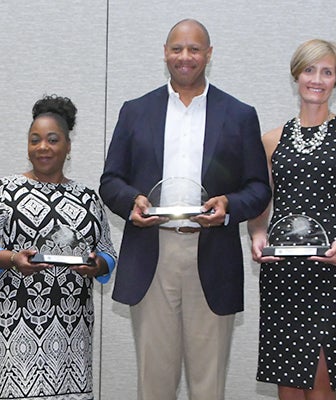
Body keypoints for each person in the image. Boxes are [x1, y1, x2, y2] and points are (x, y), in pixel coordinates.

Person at [100, 19, 270, 399]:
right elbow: (110, 181)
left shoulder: (240, 115)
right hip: (152, 254)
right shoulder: (135, 111)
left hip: (212, 255)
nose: (185, 56)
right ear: (165, 53)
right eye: (177, 48)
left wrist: (229, 205)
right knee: (154, 382)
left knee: (208, 385)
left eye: (194, 49)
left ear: (209, 54)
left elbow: (259, 188)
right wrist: (132, 202)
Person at [248, 39, 336, 400]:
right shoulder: (271, 140)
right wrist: (257, 234)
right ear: (296, 75)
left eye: (327, 72)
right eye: (310, 70)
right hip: (282, 273)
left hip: (331, 267)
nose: (317, 79)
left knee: (322, 379)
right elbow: (261, 207)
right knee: (288, 382)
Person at [0, 94, 116, 400]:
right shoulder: (5, 190)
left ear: (68, 146)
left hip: (74, 330)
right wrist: (12, 258)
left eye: (52, 139)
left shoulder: (88, 197)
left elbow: (108, 253)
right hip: (18, 328)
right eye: (35, 140)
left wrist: (96, 265)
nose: (43, 147)